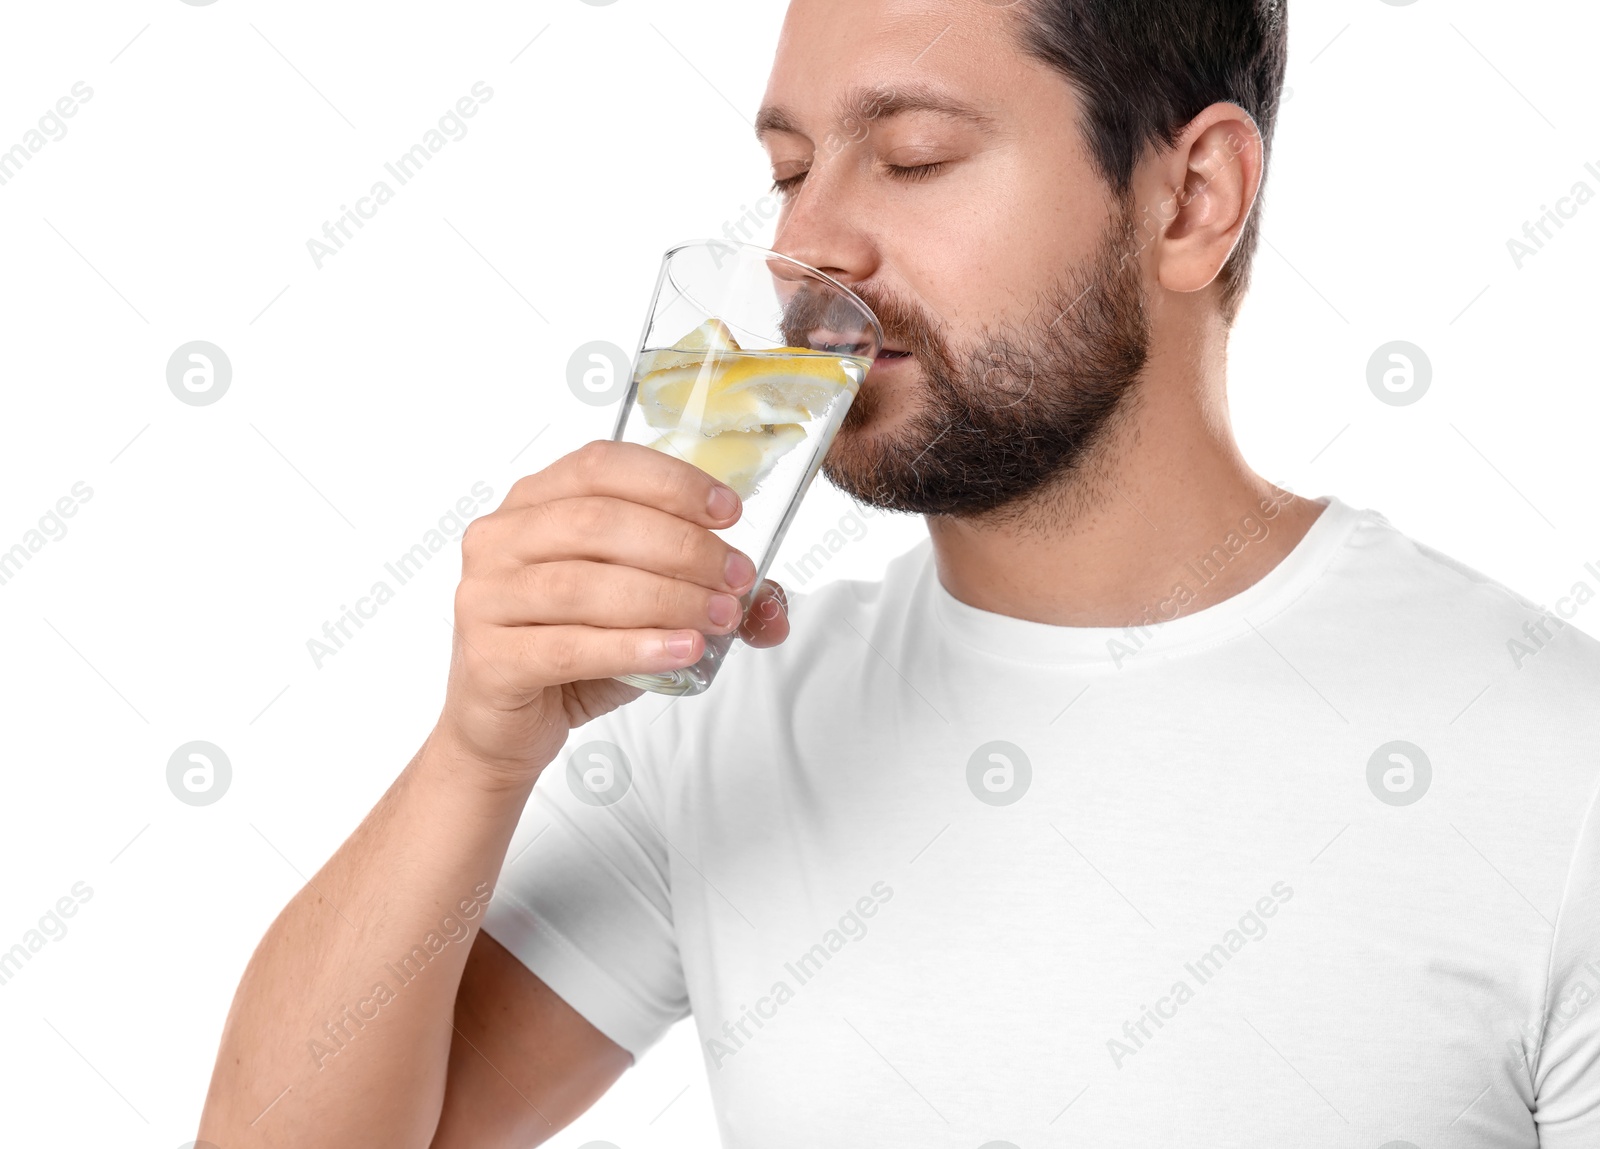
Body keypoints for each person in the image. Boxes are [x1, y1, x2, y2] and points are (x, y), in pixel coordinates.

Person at [198, 1, 1600, 1145]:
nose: (808, 247)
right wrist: (476, 750)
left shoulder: (1554, 765)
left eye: (915, 156)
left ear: (1190, 200)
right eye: (791, 169)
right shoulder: (723, 716)